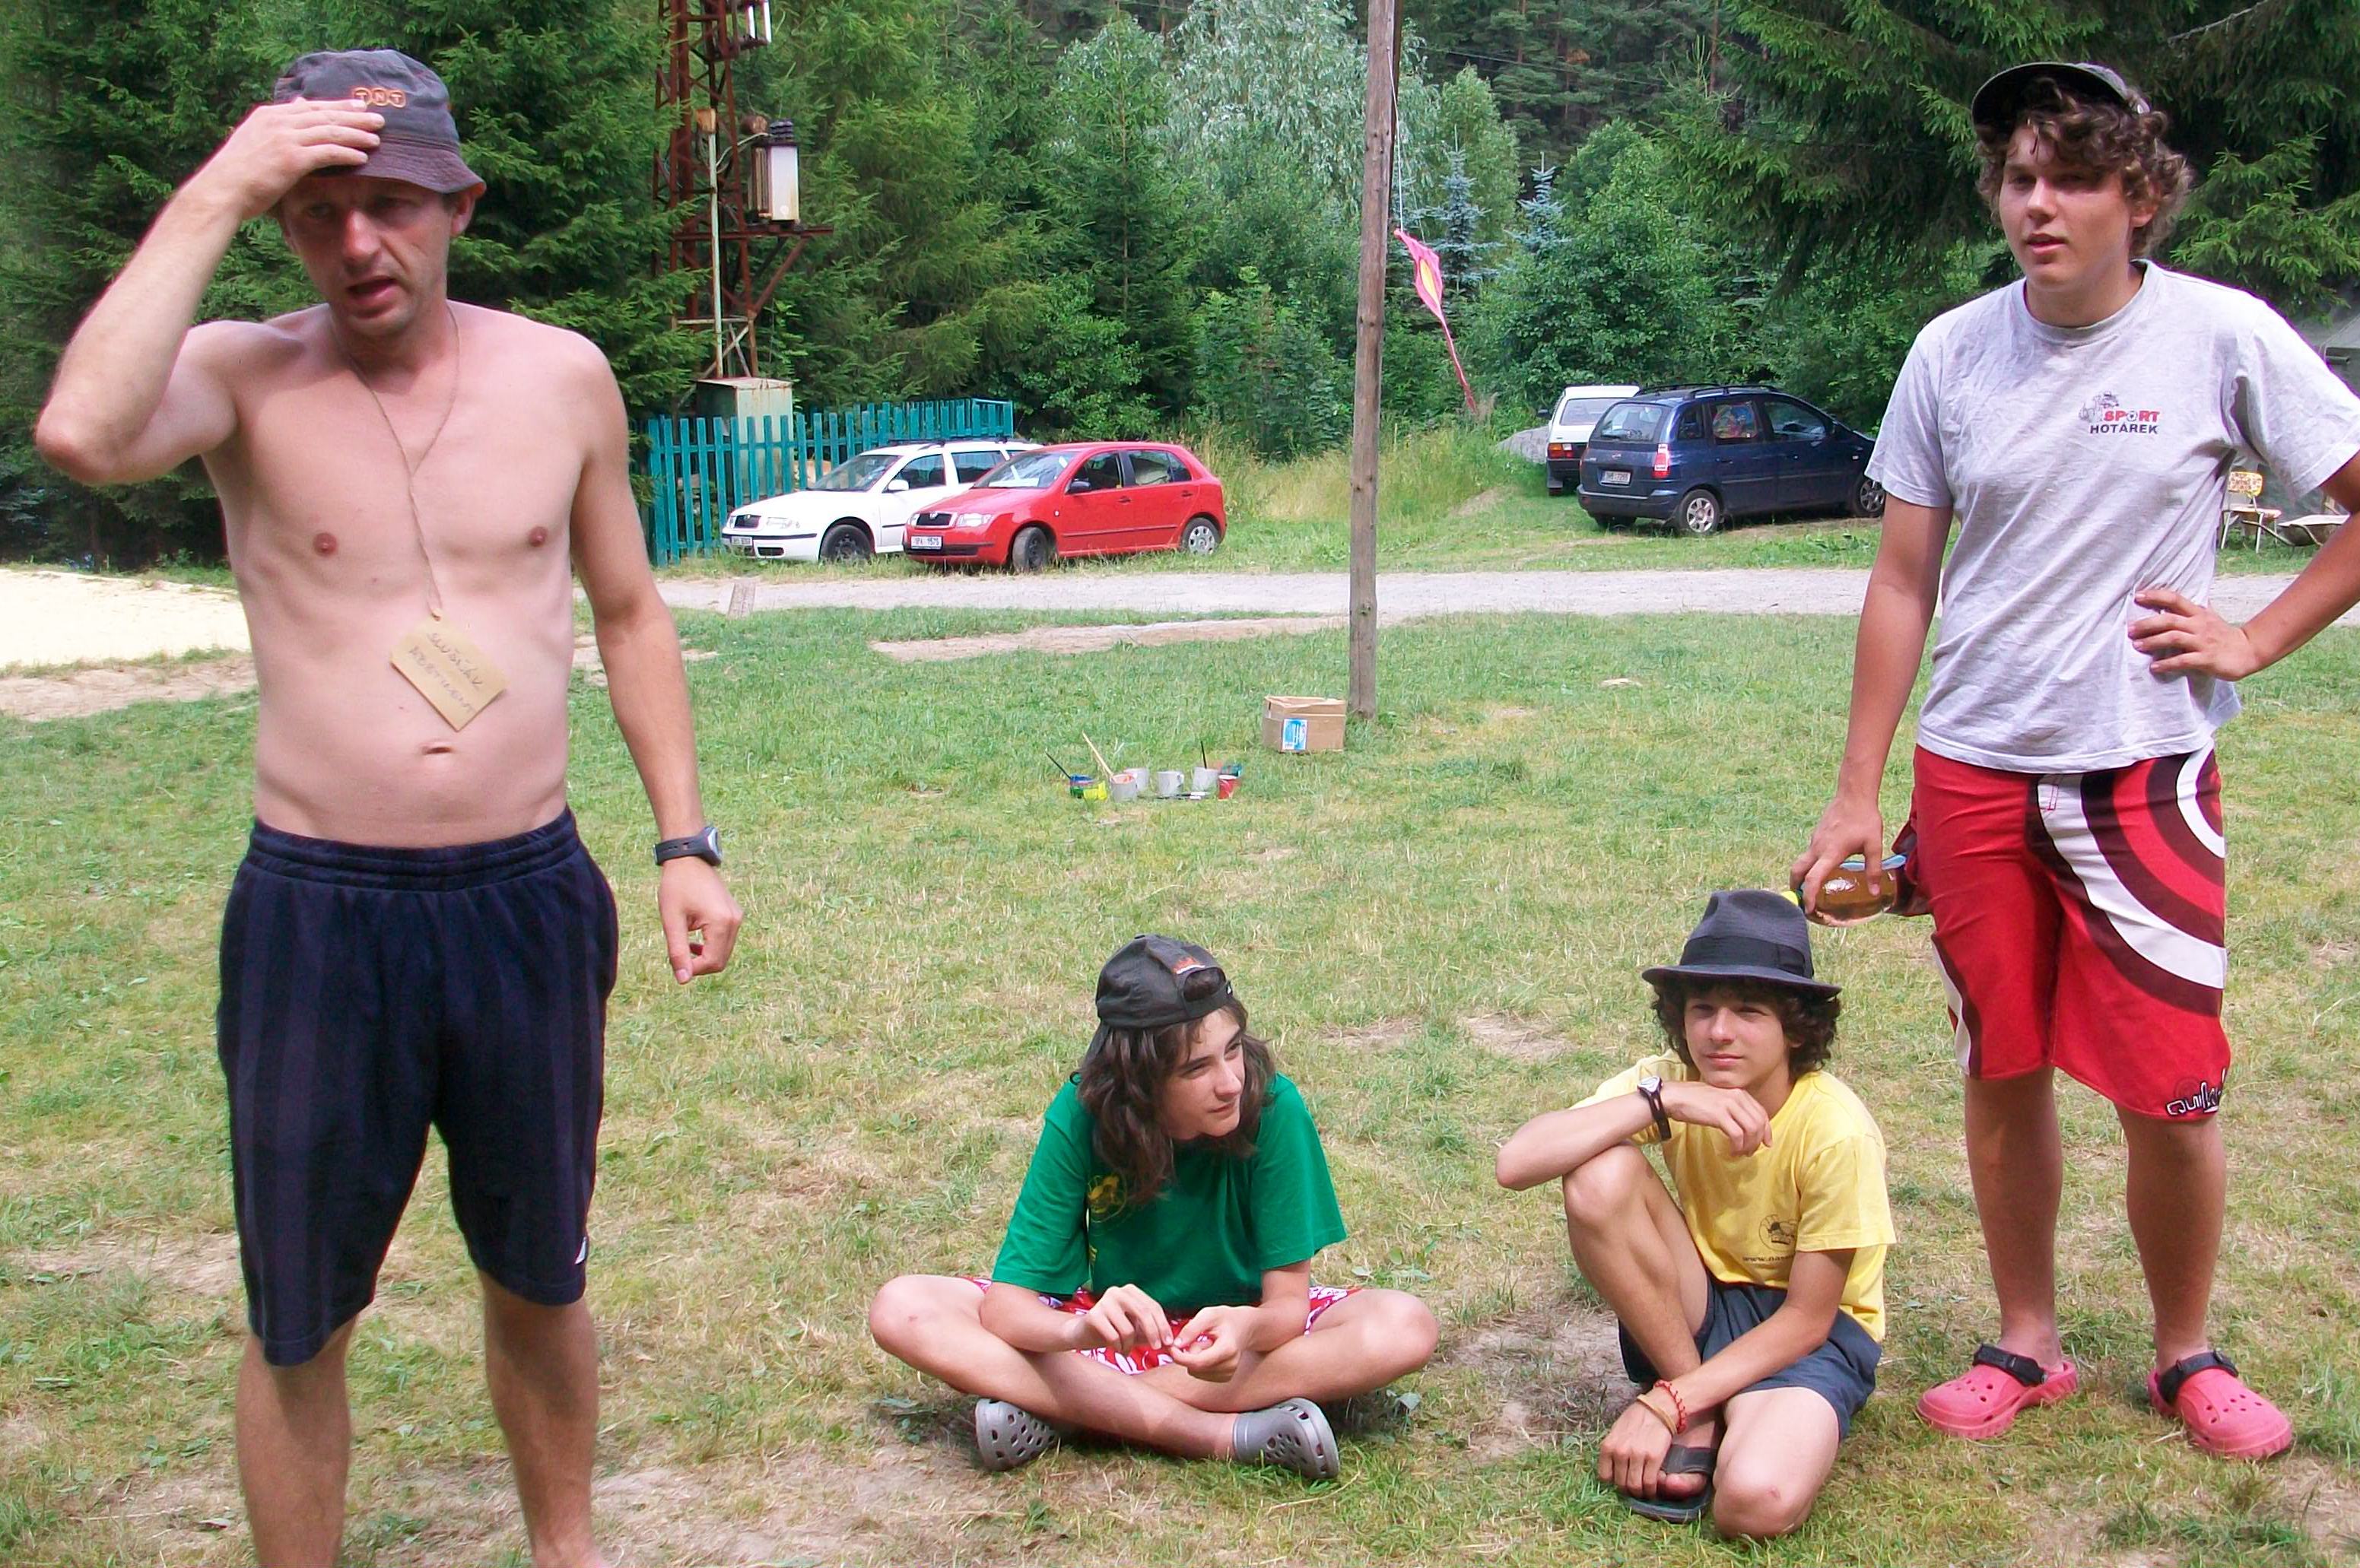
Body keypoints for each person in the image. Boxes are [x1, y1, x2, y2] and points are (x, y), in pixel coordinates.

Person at [33, 49, 742, 1568]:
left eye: (393, 205)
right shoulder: (240, 375)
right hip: (318, 913)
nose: (358, 243)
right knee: (300, 1311)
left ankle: (566, 1549)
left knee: (540, 1273)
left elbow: (628, 612)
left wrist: (684, 841)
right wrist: (219, 187)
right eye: (317, 211)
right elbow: (82, 431)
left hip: (524, 898)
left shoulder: (560, 377)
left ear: (459, 205)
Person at [1793, 62, 2360, 1461]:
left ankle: (2185, 1352)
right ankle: (2024, 1341)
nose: (2039, 205)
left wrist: (2255, 638)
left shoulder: (2220, 335)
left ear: (2139, 197)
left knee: (2171, 1084)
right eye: (2018, 178)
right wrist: (1857, 791)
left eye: (2074, 178)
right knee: (1999, 1066)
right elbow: (1902, 580)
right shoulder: (1951, 352)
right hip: (1972, 771)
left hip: (2144, 773)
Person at [869, 936, 1438, 1479]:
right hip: (1112, 1339)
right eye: (1196, 1068)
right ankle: (1221, 1436)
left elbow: (1287, 1309)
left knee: (1403, 1326)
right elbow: (1008, 1309)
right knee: (904, 1307)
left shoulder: (1274, 1107)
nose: (1230, 1083)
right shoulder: (1083, 1112)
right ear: (1138, 1080)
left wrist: (1248, 1327)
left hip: (1232, 1346)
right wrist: (1081, 1331)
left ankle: (1067, 1411)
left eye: (1233, 1050)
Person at [1496, 891, 1894, 1538]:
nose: (1718, 1032)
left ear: (1796, 1028)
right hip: (1702, 1302)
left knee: (1755, 1501)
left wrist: (1665, 1402)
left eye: (1749, 1011)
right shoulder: (1672, 1079)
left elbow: (1807, 1320)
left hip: (1811, 1335)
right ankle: (1704, 1413)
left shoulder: (1835, 1131)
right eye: (1701, 1009)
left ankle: (1708, 1403)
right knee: (1598, 1171)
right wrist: (1665, 1101)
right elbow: (1517, 1163)